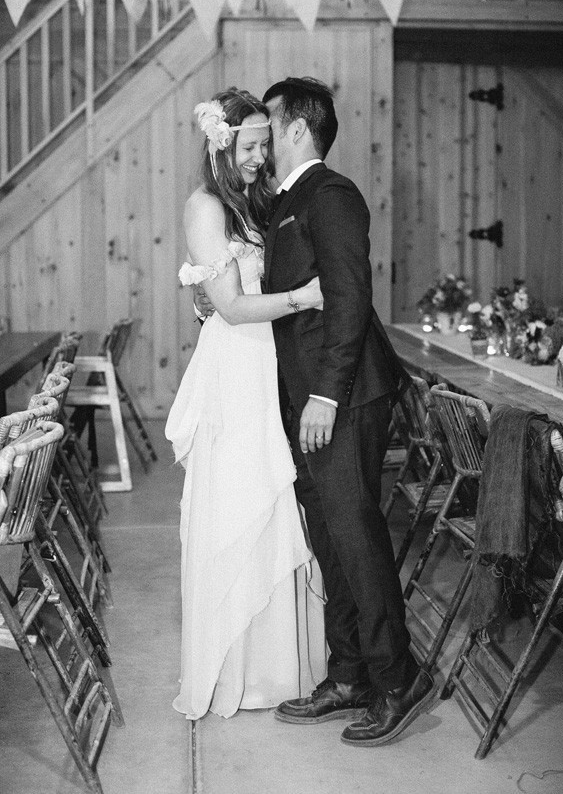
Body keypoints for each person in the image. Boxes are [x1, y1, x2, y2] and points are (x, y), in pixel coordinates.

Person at [260, 77, 437, 746]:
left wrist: (326, 395)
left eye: (270, 124)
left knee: (357, 536)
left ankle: (398, 676)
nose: (263, 136)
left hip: (344, 395)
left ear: (297, 128)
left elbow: (349, 296)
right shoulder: (288, 199)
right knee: (332, 540)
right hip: (309, 397)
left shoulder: (329, 194)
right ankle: (351, 673)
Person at [165, 87, 326, 721]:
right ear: (220, 147)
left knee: (275, 500)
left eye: (265, 144)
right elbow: (229, 307)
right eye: (251, 147)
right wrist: (306, 297)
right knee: (241, 501)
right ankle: (239, 671)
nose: (262, 157)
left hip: (267, 363)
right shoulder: (204, 207)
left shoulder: (253, 202)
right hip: (236, 367)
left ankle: (278, 667)